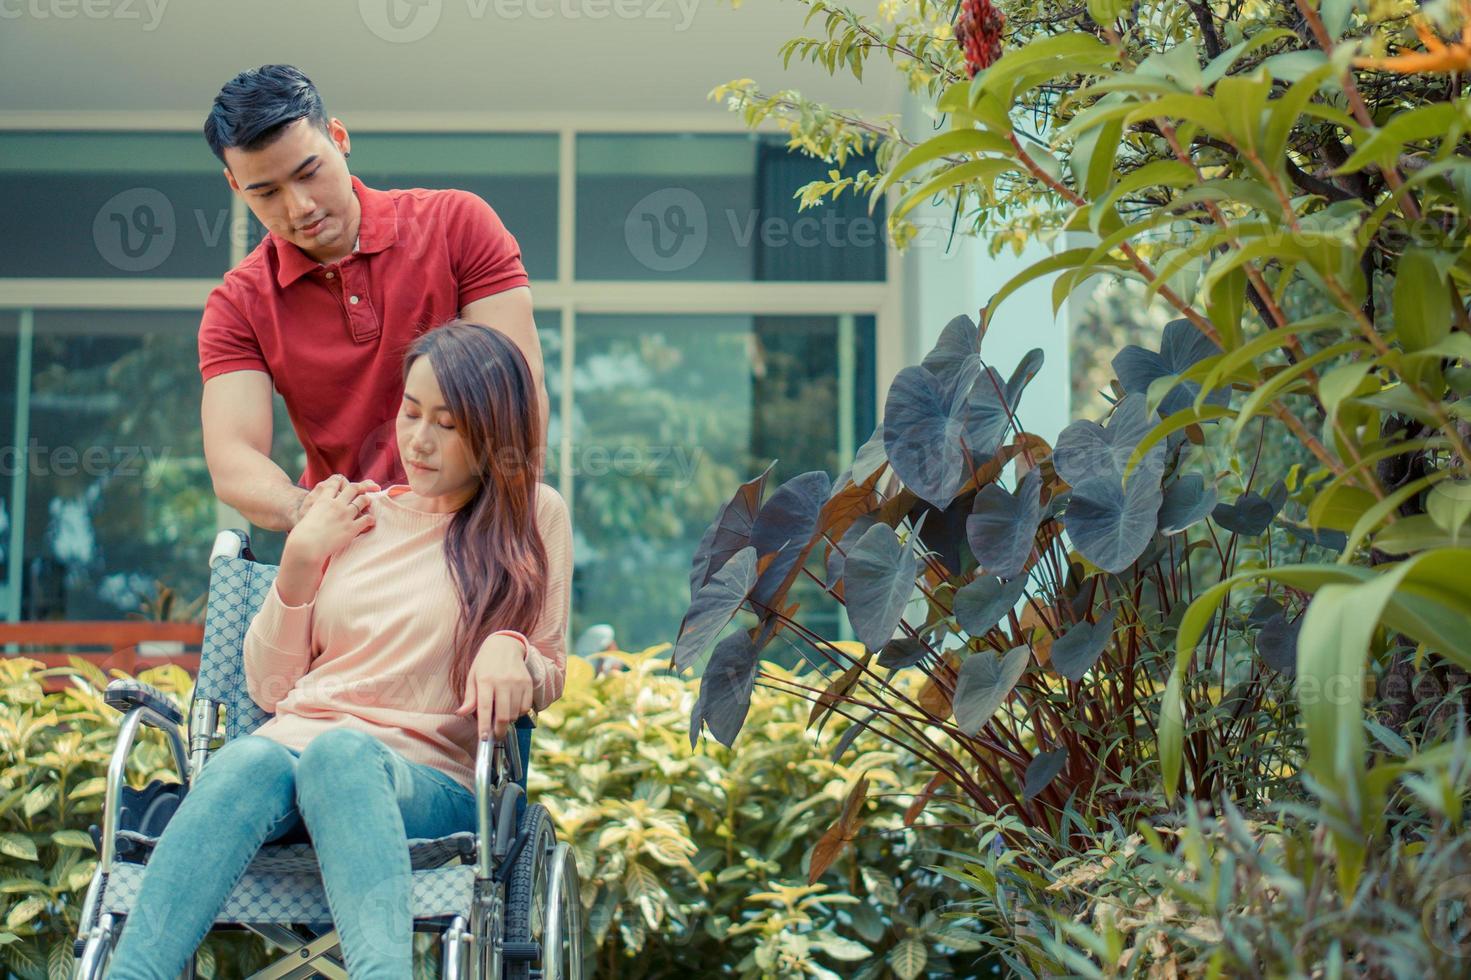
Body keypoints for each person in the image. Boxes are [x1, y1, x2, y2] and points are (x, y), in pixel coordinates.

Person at [106, 321, 572, 979]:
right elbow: (269, 690)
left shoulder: (531, 518)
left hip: (422, 779)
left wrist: (510, 644)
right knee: (244, 761)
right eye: (411, 412)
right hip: (288, 757)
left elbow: (548, 668)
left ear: (493, 433)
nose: (418, 438)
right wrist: (299, 558)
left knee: (340, 752)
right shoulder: (350, 516)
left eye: (447, 422)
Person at [196, 64, 550, 532]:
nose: (299, 206)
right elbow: (233, 457)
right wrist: (305, 509)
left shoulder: (459, 225)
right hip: (348, 559)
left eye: (308, 172)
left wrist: (491, 532)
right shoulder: (238, 305)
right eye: (267, 193)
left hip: (475, 539)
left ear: (339, 137)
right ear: (235, 186)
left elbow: (517, 393)